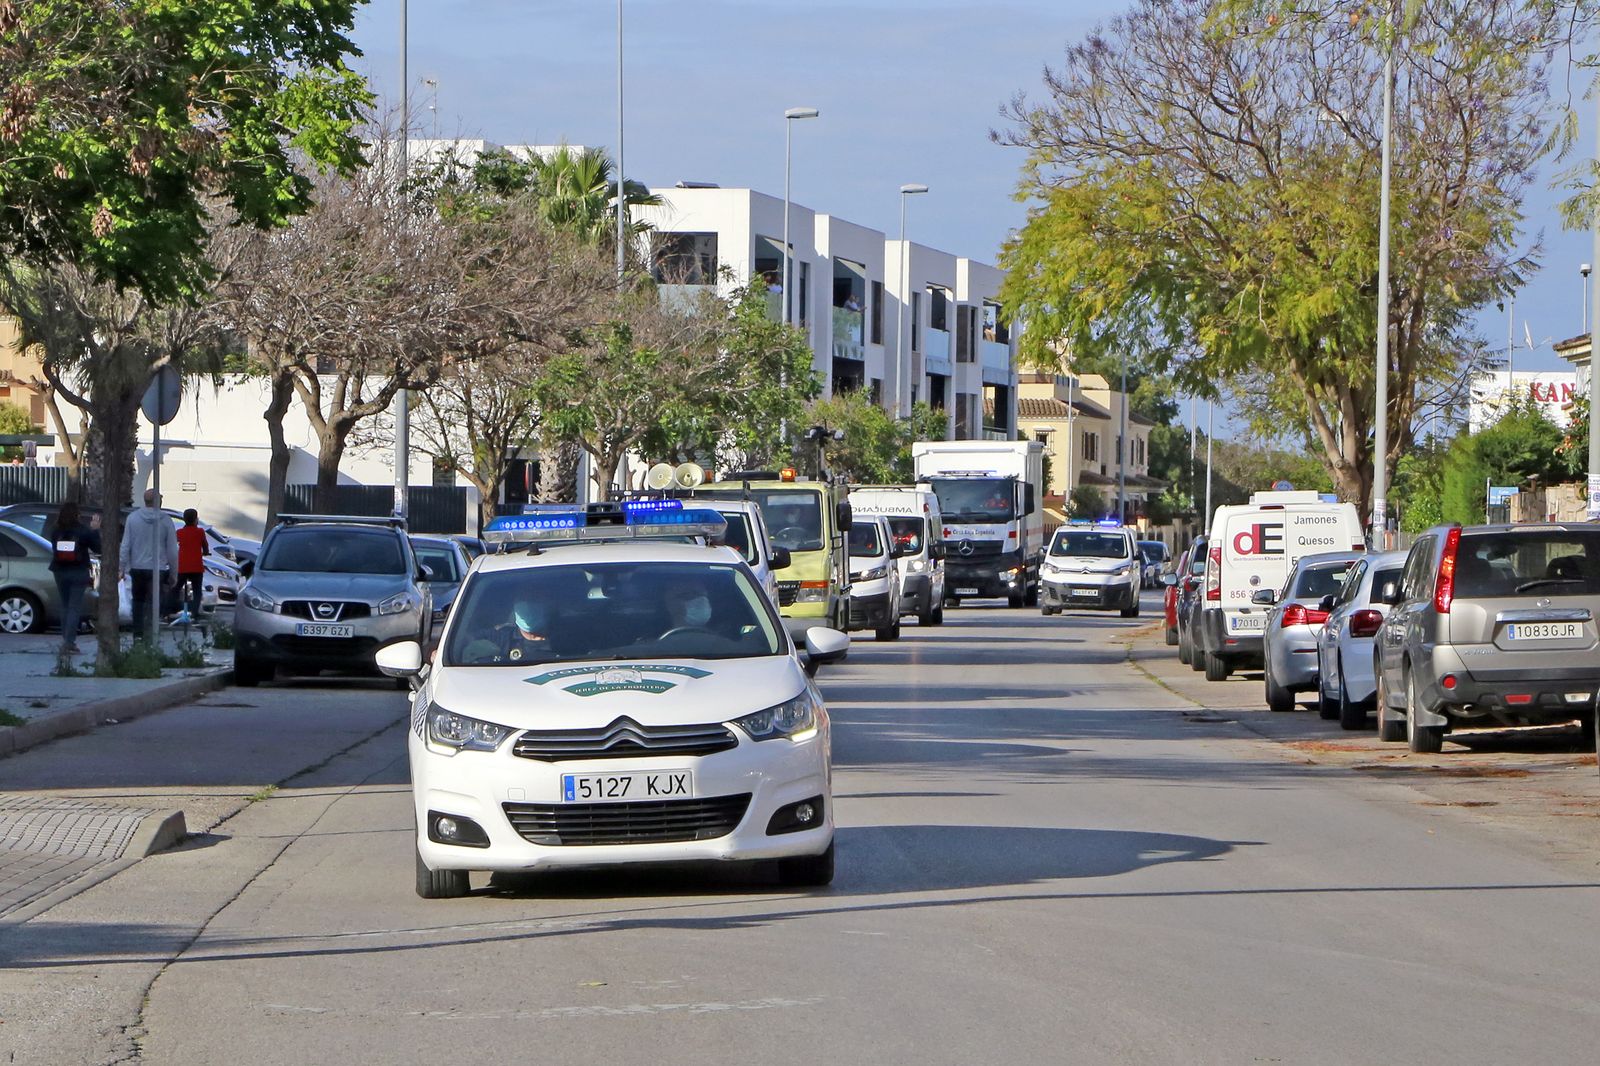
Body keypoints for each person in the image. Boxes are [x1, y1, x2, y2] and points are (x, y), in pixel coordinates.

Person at [120, 489, 179, 642]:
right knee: (154, 602)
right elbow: (172, 549)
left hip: (137, 567)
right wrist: (174, 572)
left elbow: (125, 545)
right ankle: (151, 634)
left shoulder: (133, 518)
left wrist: (121, 567)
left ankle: (138, 634)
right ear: (158, 501)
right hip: (157, 569)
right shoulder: (166, 520)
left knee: (138, 601)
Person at [47, 502, 100, 655]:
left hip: (60, 570)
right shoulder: (83, 531)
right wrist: (95, 530)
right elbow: (98, 548)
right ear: (77, 515)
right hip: (78, 570)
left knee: (65, 606)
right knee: (74, 607)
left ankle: (66, 639)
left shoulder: (55, 531)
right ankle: (69, 642)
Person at [174, 508, 210, 622]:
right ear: (195, 519)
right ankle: (194, 613)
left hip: (183, 567)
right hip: (196, 567)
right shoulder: (200, 532)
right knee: (197, 590)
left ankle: (169, 609)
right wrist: (205, 552)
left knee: (177, 587)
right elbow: (205, 546)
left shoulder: (179, 532)